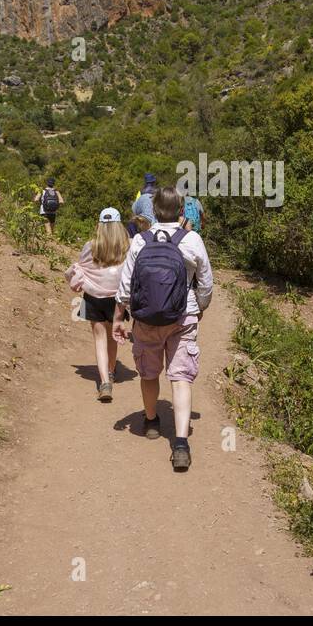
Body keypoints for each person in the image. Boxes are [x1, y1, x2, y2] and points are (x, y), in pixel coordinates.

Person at [113, 186, 213, 472]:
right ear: (181, 210)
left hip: (146, 320)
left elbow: (126, 285)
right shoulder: (192, 239)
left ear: (153, 210)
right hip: (184, 316)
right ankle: (180, 443)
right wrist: (200, 306)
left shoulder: (140, 241)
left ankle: (152, 421)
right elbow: (205, 281)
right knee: (181, 377)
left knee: (148, 372)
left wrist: (120, 316)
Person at [65, 208, 128, 402]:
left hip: (93, 298)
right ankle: (110, 371)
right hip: (117, 300)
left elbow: (81, 266)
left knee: (100, 339)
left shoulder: (90, 246)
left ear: (99, 225)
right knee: (113, 337)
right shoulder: (127, 247)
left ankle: (104, 383)